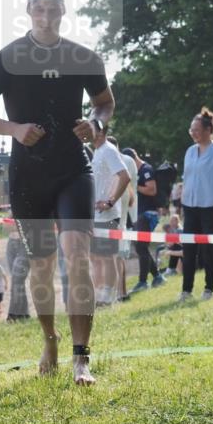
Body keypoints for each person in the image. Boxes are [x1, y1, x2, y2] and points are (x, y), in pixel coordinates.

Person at [0, 0, 112, 385]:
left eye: (54, 7)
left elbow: (105, 103)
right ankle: (50, 339)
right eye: (39, 7)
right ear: (29, 10)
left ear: (63, 10)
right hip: (28, 176)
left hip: (72, 169)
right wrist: (13, 128)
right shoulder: (8, 59)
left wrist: (96, 124)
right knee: (42, 267)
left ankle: (82, 358)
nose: (46, 14)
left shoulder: (82, 58)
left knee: (77, 252)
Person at [178, 108, 213, 303]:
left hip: (211, 206)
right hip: (190, 206)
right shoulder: (189, 152)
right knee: (189, 249)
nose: (193, 133)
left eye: (197, 129)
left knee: (208, 250)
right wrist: (181, 203)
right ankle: (186, 290)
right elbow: (187, 179)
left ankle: (209, 288)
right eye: (191, 130)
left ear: (208, 129)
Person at [89, 125, 130, 306]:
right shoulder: (97, 151)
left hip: (108, 215)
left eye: (90, 129)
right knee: (97, 258)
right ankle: (99, 297)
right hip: (96, 215)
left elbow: (124, 176)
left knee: (108, 257)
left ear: (100, 131)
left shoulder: (108, 150)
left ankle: (109, 298)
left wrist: (111, 201)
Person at [125, 149, 165, 294]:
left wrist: (133, 185)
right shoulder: (136, 171)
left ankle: (143, 282)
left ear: (133, 159)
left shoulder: (146, 169)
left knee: (141, 247)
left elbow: (152, 189)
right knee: (141, 247)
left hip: (147, 214)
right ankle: (157, 276)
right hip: (139, 213)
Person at [108, 137, 136, 303]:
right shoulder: (127, 161)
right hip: (121, 206)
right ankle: (121, 292)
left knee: (114, 256)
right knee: (118, 256)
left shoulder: (119, 161)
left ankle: (117, 292)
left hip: (116, 205)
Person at [4, 216, 31, 322]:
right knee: (17, 281)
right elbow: (5, 228)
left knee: (17, 279)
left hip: (26, 243)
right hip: (11, 243)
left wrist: (15, 225)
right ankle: (24, 314)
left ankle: (13, 315)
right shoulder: (12, 207)